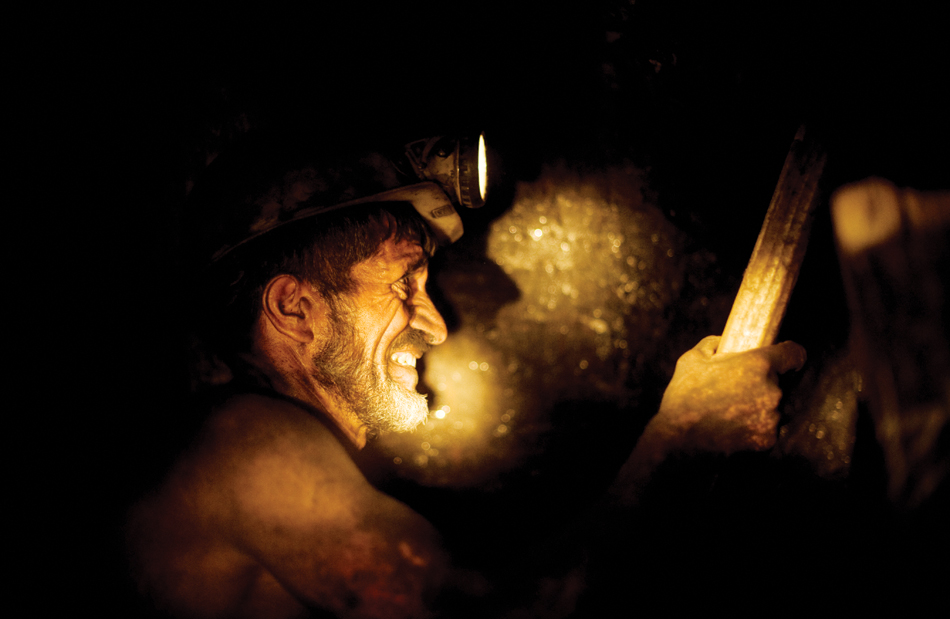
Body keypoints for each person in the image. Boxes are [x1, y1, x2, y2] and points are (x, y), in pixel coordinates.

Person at [126, 133, 805, 619]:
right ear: (295, 308)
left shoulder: (295, 462)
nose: (437, 325)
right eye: (403, 284)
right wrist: (677, 441)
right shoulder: (246, 447)